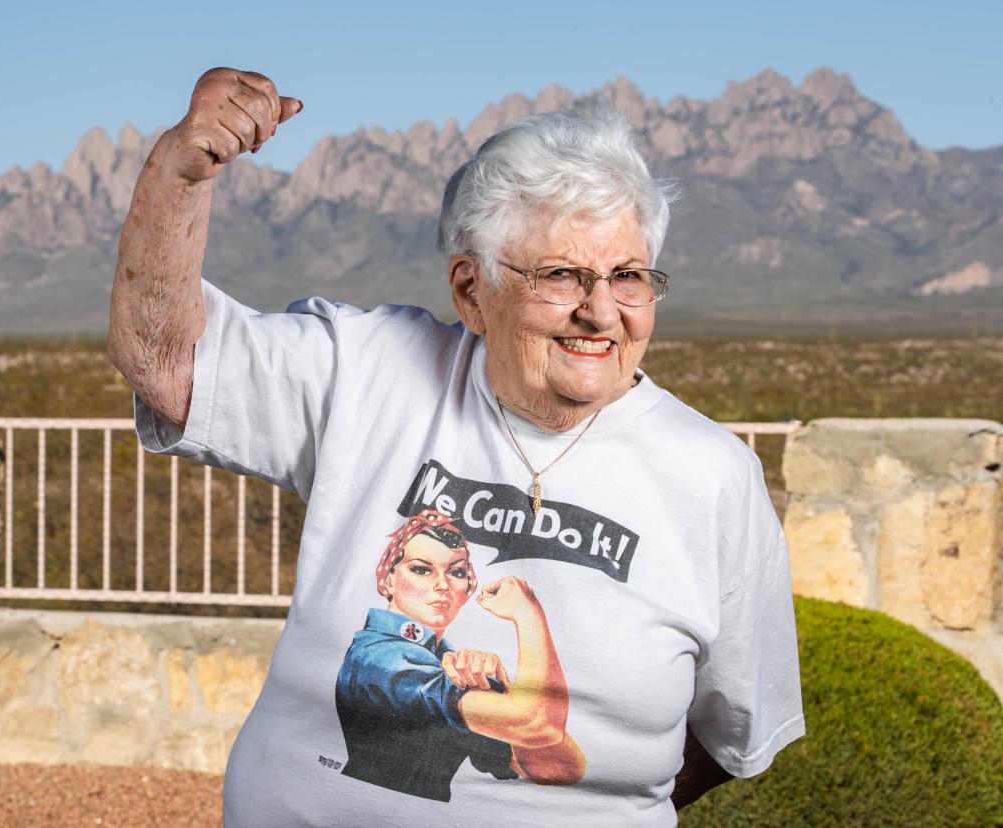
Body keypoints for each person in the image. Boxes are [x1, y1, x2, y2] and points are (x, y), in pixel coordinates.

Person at [109, 67, 805, 826]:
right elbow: (165, 363)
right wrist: (178, 175)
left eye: (629, 276)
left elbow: (728, 734)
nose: (601, 312)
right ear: (471, 290)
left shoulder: (713, 476)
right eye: (561, 275)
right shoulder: (369, 370)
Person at [335, 509, 585, 802]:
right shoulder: (381, 658)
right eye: (421, 569)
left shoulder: (445, 660)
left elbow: (559, 768)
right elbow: (539, 724)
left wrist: (504, 694)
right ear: (388, 579)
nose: (442, 585)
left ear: (467, 589)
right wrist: (529, 615)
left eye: (456, 572)